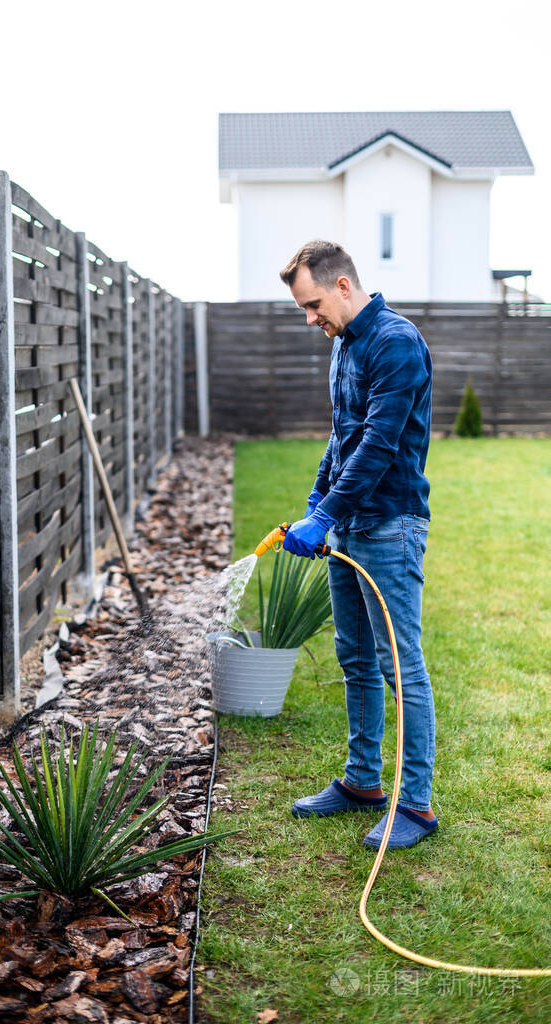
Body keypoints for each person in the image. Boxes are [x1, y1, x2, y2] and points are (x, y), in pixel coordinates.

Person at [279, 240, 437, 851]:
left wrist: (330, 514)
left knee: (402, 669)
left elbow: (378, 444)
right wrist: (318, 508)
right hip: (348, 523)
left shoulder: (395, 342)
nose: (310, 318)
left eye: (313, 304)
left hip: (390, 525)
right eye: (304, 309)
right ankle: (363, 783)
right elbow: (342, 439)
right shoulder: (343, 345)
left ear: (343, 285)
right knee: (355, 659)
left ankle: (416, 805)